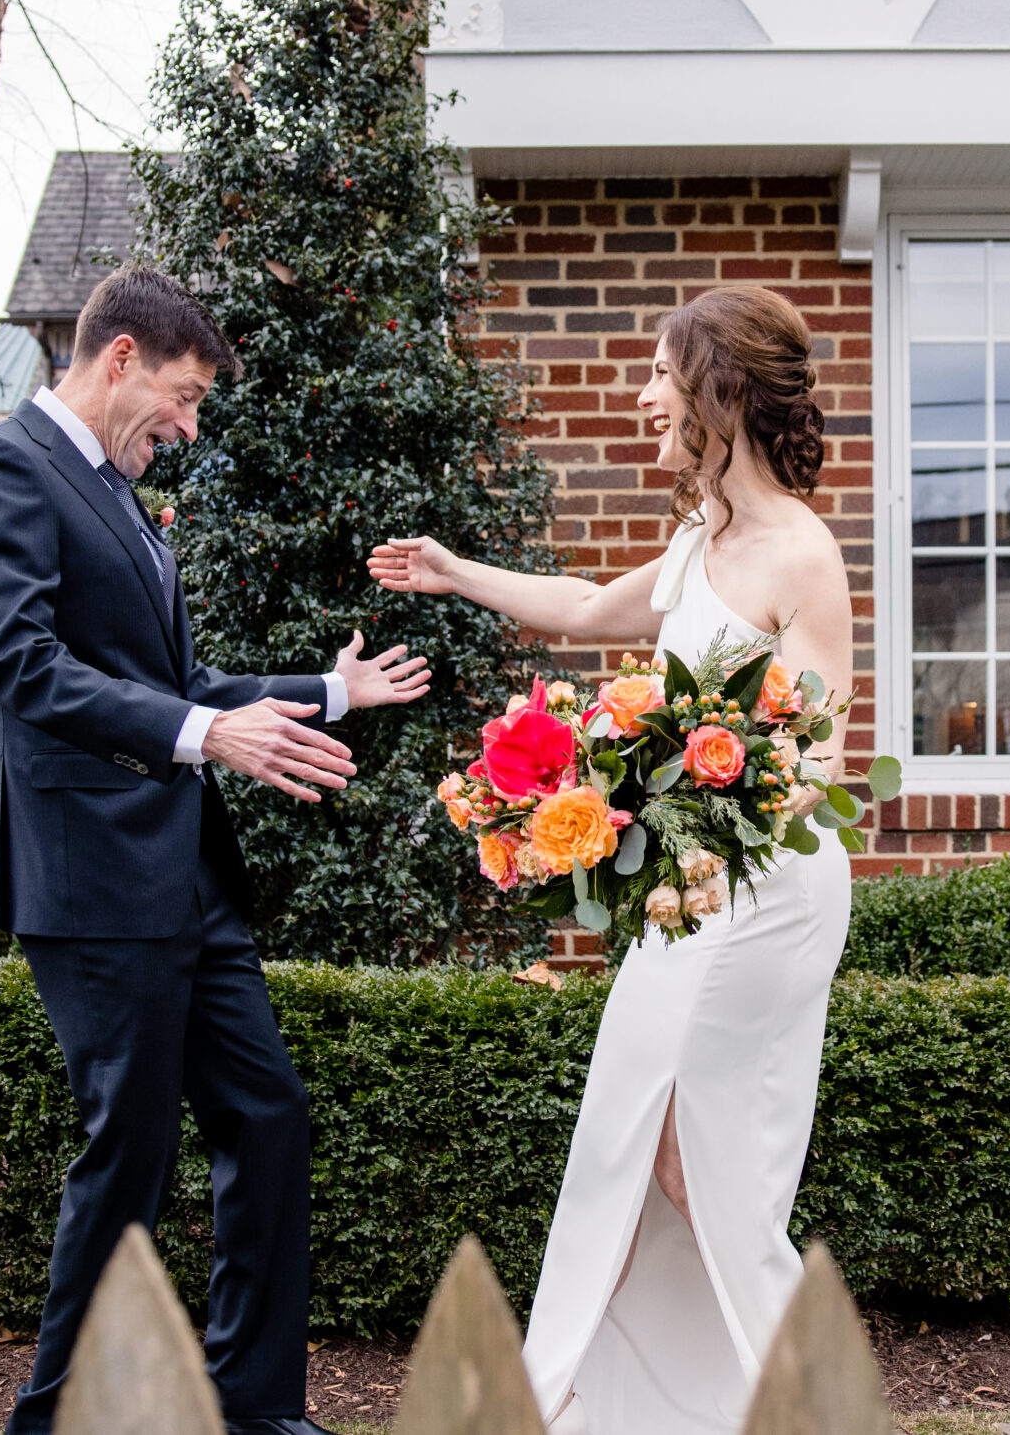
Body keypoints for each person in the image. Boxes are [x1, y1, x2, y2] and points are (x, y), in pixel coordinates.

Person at [0, 265, 431, 1435]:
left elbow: (172, 686)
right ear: (119, 359)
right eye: (186, 393)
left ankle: (250, 1408)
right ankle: (53, 1423)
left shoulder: (117, 494)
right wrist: (209, 733)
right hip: (95, 880)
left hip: (187, 883)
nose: (190, 423)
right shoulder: (1, 468)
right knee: (131, 1156)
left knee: (267, 1118)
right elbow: (25, 669)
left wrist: (328, 691)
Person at [366, 284, 855, 1435]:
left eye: (659, 376)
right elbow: (588, 608)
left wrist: (701, 791)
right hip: (686, 904)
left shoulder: (802, 552)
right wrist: (454, 570)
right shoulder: (699, 542)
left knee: (704, 1167)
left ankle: (795, 1407)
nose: (643, 395)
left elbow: (828, 759)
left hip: (769, 895)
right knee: (631, 1147)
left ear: (717, 393)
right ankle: (622, 1398)